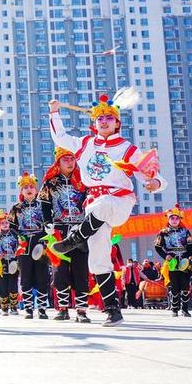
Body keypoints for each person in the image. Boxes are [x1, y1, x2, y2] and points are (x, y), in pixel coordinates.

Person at [49, 94, 165, 326]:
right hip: (94, 204)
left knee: (103, 206)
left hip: (119, 200)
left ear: (117, 123)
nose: (104, 121)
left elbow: (149, 173)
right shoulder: (85, 144)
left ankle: (75, 237)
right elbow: (60, 137)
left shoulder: (127, 148)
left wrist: (156, 183)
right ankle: (113, 309)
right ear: (94, 122)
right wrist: (54, 112)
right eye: (100, 117)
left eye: (109, 118)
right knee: (98, 259)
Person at [39, 147, 90, 322]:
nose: (69, 162)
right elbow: (45, 205)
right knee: (59, 271)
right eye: (65, 159)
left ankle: (82, 311)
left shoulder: (84, 181)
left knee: (81, 270)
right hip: (59, 231)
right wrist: (48, 224)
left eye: (72, 158)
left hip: (81, 230)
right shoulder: (50, 182)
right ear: (58, 163)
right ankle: (62, 308)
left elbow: (91, 202)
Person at [9, 172, 50, 319]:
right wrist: (18, 240)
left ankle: (43, 309)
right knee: (26, 277)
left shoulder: (43, 206)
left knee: (42, 276)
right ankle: (28, 309)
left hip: (40, 242)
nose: (29, 189)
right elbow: (11, 228)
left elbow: (49, 225)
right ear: (21, 191)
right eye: (25, 187)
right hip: (23, 244)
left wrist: (46, 242)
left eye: (32, 186)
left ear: (36, 189)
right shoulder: (16, 208)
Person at [155, 204, 192, 317]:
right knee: (174, 285)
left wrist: (189, 257)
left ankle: (185, 309)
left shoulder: (185, 231)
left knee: (185, 285)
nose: (174, 220)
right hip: (172, 261)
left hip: (184, 260)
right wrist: (165, 256)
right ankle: (174, 308)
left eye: (176, 218)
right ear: (168, 219)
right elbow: (157, 247)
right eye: (172, 218)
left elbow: (190, 245)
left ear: (179, 219)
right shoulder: (163, 232)